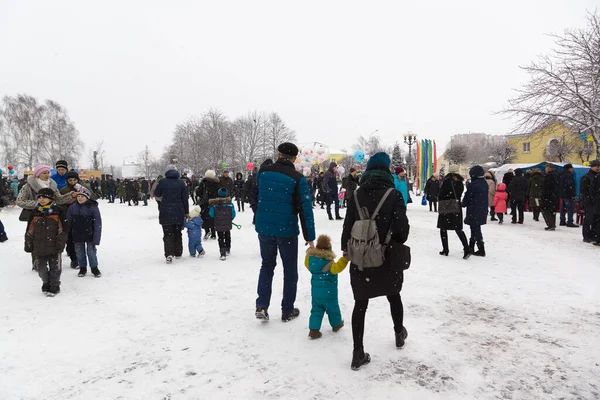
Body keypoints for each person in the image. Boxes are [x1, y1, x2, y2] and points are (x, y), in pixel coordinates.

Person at [341, 152, 410, 371]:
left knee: (360, 303)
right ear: (387, 170)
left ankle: (357, 352)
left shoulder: (358, 194)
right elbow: (402, 231)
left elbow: (348, 224)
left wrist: (346, 248)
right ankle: (399, 332)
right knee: (394, 295)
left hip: (361, 256)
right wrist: (388, 241)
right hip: (386, 256)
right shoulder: (394, 194)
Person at [255, 142, 315, 322]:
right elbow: (305, 208)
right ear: (294, 158)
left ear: (279, 154)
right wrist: (309, 237)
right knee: (289, 269)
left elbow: (257, 195)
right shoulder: (297, 178)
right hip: (286, 230)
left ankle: (262, 305)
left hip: (265, 227)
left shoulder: (263, 173)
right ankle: (287, 309)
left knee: (267, 265)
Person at [24, 188, 68, 296]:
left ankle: (55, 284)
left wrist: (61, 242)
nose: (41, 199)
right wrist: (28, 242)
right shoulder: (35, 212)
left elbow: (63, 229)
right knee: (41, 269)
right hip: (39, 246)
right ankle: (46, 282)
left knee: (55, 268)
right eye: (39, 197)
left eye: (44, 197)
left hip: (54, 245)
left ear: (51, 198)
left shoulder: (58, 211)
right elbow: (30, 229)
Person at [305, 234, 348, 339]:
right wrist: (345, 259)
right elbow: (337, 268)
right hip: (329, 294)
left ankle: (314, 330)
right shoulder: (329, 263)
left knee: (316, 310)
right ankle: (337, 325)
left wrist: (309, 252)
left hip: (316, 294)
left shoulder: (311, 261)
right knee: (333, 309)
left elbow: (307, 262)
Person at [154, 165, 189, 263]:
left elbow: (157, 194)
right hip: (179, 211)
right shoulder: (181, 183)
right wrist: (186, 212)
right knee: (178, 232)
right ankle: (178, 252)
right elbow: (185, 199)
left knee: (168, 233)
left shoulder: (162, 182)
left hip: (165, 211)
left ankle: (169, 253)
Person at [67, 187, 102, 278]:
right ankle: (82, 268)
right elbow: (68, 221)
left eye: (83, 196)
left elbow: (98, 222)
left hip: (90, 234)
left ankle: (94, 268)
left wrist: (96, 237)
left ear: (87, 197)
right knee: (79, 252)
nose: (80, 198)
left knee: (91, 252)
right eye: (78, 196)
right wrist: (68, 233)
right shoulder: (72, 208)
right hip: (77, 234)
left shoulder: (92, 208)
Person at [437, 165, 470, 258]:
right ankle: (466, 249)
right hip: (456, 206)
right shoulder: (460, 182)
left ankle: (445, 249)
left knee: (443, 228)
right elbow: (459, 194)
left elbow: (441, 194)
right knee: (458, 229)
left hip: (446, 206)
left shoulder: (447, 181)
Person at [462, 165, 488, 256]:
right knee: (475, 227)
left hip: (474, 209)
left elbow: (468, 196)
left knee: (475, 228)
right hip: (482, 209)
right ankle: (471, 246)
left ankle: (481, 249)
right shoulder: (484, 183)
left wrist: (463, 203)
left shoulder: (474, 184)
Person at [209, 188, 236, 260]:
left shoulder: (214, 205)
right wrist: (230, 218)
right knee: (227, 235)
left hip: (218, 223)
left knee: (220, 237)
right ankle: (227, 248)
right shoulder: (230, 204)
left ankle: (222, 252)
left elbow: (211, 214)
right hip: (227, 223)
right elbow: (233, 214)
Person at [580, 160, 600, 243]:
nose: (598, 168)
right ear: (592, 167)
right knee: (589, 218)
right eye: (596, 166)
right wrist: (589, 198)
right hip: (589, 201)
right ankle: (587, 235)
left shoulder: (597, 176)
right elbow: (584, 190)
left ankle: (594, 235)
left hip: (596, 201)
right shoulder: (587, 177)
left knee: (596, 219)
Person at [196, 170, 220, 240]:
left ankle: (207, 231)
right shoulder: (216, 183)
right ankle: (213, 233)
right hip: (213, 202)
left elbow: (198, 193)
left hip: (204, 203)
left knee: (205, 218)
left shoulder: (203, 183)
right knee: (213, 217)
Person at [541, 163, 560, 231]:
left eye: (546, 168)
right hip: (554, 196)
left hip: (548, 196)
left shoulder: (549, 176)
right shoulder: (556, 175)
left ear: (549, 168)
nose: (545, 169)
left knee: (546, 210)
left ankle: (550, 224)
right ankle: (552, 224)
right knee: (552, 211)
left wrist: (544, 195)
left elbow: (547, 187)